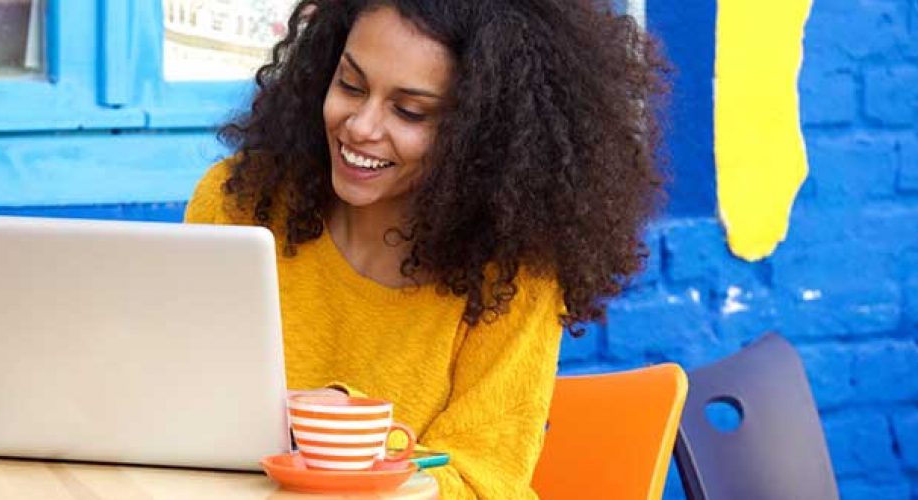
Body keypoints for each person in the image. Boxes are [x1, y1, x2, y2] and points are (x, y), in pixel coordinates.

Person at [185, 0, 667, 497]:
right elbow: (175, 411)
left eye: (409, 111)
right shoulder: (240, 205)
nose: (361, 127)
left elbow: (485, 484)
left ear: (480, 136)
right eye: (350, 84)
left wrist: (347, 440)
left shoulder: (510, 273)